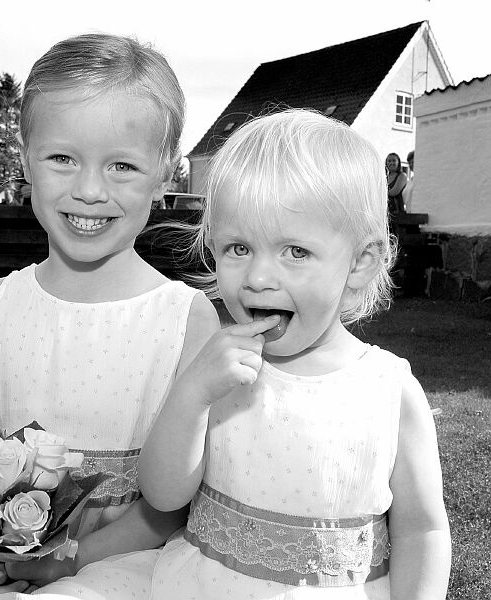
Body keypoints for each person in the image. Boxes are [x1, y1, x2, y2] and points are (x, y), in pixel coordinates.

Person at [138, 109, 451, 599]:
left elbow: (422, 530)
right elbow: (161, 495)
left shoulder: (389, 391)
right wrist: (192, 395)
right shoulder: (214, 369)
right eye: (238, 248)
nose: (259, 277)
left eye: (295, 252)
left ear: (360, 263)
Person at [0, 32, 220, 599]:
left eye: (122, 165)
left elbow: (171, 507)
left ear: (166, 172)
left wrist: (65, 564)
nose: (90, 190)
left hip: (138, 572)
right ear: (24, 158)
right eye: (62, 158)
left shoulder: (186, 319)